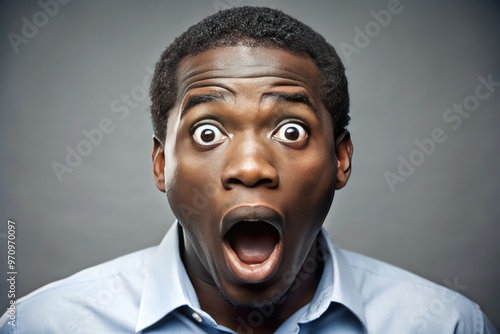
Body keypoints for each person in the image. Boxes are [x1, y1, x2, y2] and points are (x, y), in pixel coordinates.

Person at [0, 6, 497, 334]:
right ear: (161, 164)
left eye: (291, 131)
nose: (251, 167)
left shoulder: (443, 324)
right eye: (208, 133)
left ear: (340, 159)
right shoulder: (47, 324)